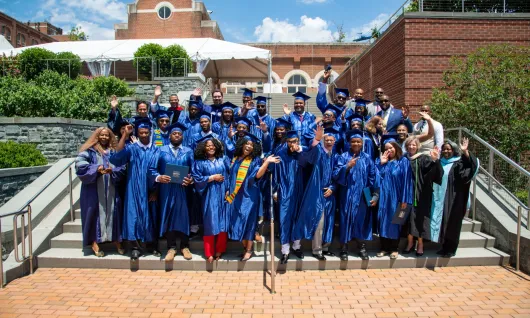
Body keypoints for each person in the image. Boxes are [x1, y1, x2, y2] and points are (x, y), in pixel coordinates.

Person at [110, 118, 161, 259]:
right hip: (133, 188)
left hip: (151, 189)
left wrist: (156, 191)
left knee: (151, 217)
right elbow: (116, 158)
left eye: (146, 132)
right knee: (133, 216)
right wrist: (125, 135)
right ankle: (135, 249)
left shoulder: (157, 150)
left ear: (150, 132)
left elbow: (162, 171)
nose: (144, 135)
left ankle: (152, 246)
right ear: (137, 134)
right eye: (141, 133)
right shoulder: (131, 148)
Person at [227, 133, 279, 261]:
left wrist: (266, 162)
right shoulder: (235, 158)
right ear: (241, 145)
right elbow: (230, 176)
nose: (249, 146)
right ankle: (245, 248)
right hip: (236, 195)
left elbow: (257, 176)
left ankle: (249, 250)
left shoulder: (254, 160)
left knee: (249, 221)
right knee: (238, 220)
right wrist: (228, 189)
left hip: (249, 195)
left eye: (251, 145)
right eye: (247, 144)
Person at [76, 127, 126, 257]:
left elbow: (123, 167)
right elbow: (80, 165)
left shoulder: (114, 152)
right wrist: (97, 168)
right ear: (97, 136)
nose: (104, 137)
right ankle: (94, 242)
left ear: (110, 137)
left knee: (115, 213)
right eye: (101, 135)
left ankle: (116, 240)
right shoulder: (89, 151)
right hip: (93, 190)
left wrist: (113, 171)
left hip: (111, 188)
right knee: (93, 214)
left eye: (107, 135)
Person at [292, 125, 338, 260]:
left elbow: (338, 174)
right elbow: (310, 152)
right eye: (327, 140)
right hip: (317, 192)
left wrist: (332, 188)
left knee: (328, 222)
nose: (329, 142)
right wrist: (316, 140)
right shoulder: (318, 152)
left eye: (331, 140)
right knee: (319, 221)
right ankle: (316, 250)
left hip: (330, 193)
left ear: (335, 141)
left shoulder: (336, 156)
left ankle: (325, 247)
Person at [150, 122, 195, 262]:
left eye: (179, 134)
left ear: (183, 136)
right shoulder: (161, 150)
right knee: (168, 214)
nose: (177, 136)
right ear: (170, 136)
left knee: (184, 216)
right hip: (166, 189)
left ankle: (184, 246)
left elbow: (194, 170)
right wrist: (159, 177)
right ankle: (171, 247)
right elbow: (152, 169)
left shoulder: (188, 151)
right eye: (174, 134)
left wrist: (191, 180)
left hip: (183, 189)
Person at [333, 129, 379, 261]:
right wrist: (347, 166)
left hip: (362, 195)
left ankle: (362, 247)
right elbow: (335, 175)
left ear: (362, 143)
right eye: (353, 141)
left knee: (361, 219)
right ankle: (344, 248)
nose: (356, 143)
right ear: (349, 142)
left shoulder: (367, 158)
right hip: (346, 194)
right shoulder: (343, 157)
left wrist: (373, 195)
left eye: (358, 141)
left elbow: (372, 177)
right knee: (345, 219)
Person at [432, 138, 478, 257]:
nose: (446, 151)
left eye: (449, 149)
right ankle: (444, 246)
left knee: (453, 223)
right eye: (444, 149)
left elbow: (470, 167)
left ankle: (451, 249)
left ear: (453, 150)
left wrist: (466, 152)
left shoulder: (458, 162)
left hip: (454, 199)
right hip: (441, 198)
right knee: (443, 222)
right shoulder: (440, 162)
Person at [191, 136, 231, 263]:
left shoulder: (223, 159)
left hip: (223, 195)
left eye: (213, 145)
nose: (210, 147)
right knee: (210, 222)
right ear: (203, 148)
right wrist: (212, 177)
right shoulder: (199, 163)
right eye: (208, 146)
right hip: (209, 195)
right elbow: (197, 179)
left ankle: (220, 249)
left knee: (223, 223)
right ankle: (209, 252)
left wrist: (228, 189)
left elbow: (229, 174)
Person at [272, 131, 309, 264]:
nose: (292, 144)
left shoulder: (303, 151)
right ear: (286, 142)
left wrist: (299, 151)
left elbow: (307, 165)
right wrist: (275, 190)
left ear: (298, 140)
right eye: (290, 141)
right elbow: (275, 172)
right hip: (285, 190)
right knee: (284, 219)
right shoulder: (281, 153)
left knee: (298, 218)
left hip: (300, 190)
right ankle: (285, 250)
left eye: (294, 141)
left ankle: (296, 246)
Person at [403, 136, 443, 257]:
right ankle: (410, 243)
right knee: (408, 219)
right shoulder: (403, 158)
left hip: (420, 193)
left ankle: (420, 244)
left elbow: (434, 173)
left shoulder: (424, 158)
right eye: (409, 144)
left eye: (414, 145)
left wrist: (435, 160)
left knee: (420, 218)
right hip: (406, 193)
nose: (411, 147)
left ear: (418, 146)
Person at [376, 134, 413, 259]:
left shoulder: (403, 162)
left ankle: (394, 248)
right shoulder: (380, 161)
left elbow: (407, 182)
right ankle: (383, 248)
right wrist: (381, 164)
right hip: (383, 198)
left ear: (396, 148)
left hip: (397, 197)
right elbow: (375, 179)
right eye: (386, 148)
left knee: (395, 222)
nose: (389, 150)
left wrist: (404, 199)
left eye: (391, 148)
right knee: (383, 221)